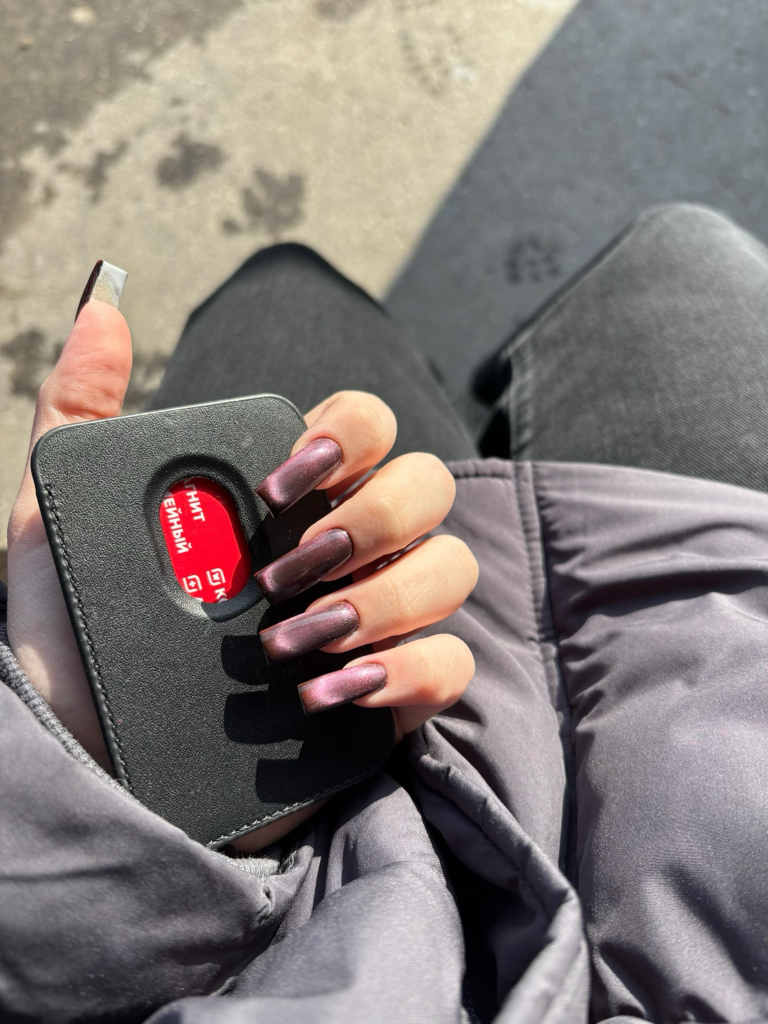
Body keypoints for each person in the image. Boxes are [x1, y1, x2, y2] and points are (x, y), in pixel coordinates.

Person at [1, 202, 768, 1023]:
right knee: (685, 246)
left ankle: (484, 399)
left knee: (283, 294)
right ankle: (491, 398)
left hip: (314, 869)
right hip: (714, 663)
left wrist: (87, 808)